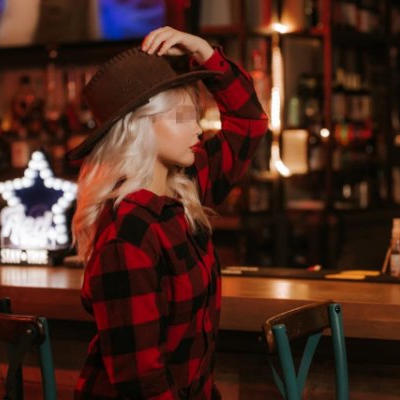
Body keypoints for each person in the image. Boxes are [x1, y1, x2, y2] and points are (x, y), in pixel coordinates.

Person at [69, 26, 269, 399]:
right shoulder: (130, 231)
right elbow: (142, 380)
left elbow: (249, 123)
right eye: (182, 117)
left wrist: (205, 52)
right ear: (140, 128)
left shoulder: (184, 187)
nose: (198, 129)